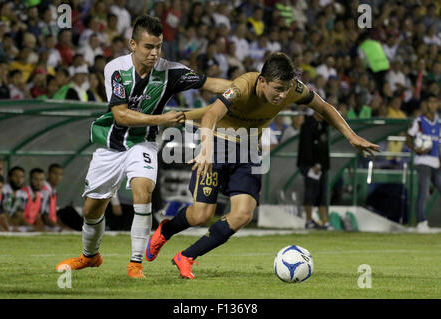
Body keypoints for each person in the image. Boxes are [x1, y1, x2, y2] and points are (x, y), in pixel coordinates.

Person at [145, 52, 380, 279]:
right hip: (217, 145)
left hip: (248, 151)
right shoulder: (242, 87)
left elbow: (325, 107)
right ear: (262, 81)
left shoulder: (293, 89)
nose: (282, 95)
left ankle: (186, 256)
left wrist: (352, 137)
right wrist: (205, 149)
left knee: (243, 215)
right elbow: (210, 116)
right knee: (201, 215)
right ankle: (165, 230)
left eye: (286, 89)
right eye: (278, 89)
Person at [55, 16, 231, 278]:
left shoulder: (170, 70)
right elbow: (121, 115)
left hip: (143, 143)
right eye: (148, 46)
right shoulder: (116, 70)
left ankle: (135, 264)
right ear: (133, 44)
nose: (154, 53)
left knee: (142, 191)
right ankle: (90, 256)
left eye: (158, 46)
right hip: (111, 145)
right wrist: (162, 119)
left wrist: (248, 88)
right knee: (92, 209)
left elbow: (211, 83)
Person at [406, 94, 441, 232]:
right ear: (426, 105)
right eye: (430, 102)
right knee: (424, 192)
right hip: (423, 161)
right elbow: (408, 137)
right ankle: (421, 222)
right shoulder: (419, 121)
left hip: (436, 163)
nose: (432, 105)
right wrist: (415, 149)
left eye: (435, 102)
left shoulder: (439, 123)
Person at [297, 109, 331, 229]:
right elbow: (306, 147)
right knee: (310, 193)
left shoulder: (323, 125)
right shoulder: (308, 125)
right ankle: (309, 220)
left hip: (321, 166)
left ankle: (325, 221)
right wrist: (314, 164)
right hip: (311, 166)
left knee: (322, 194)